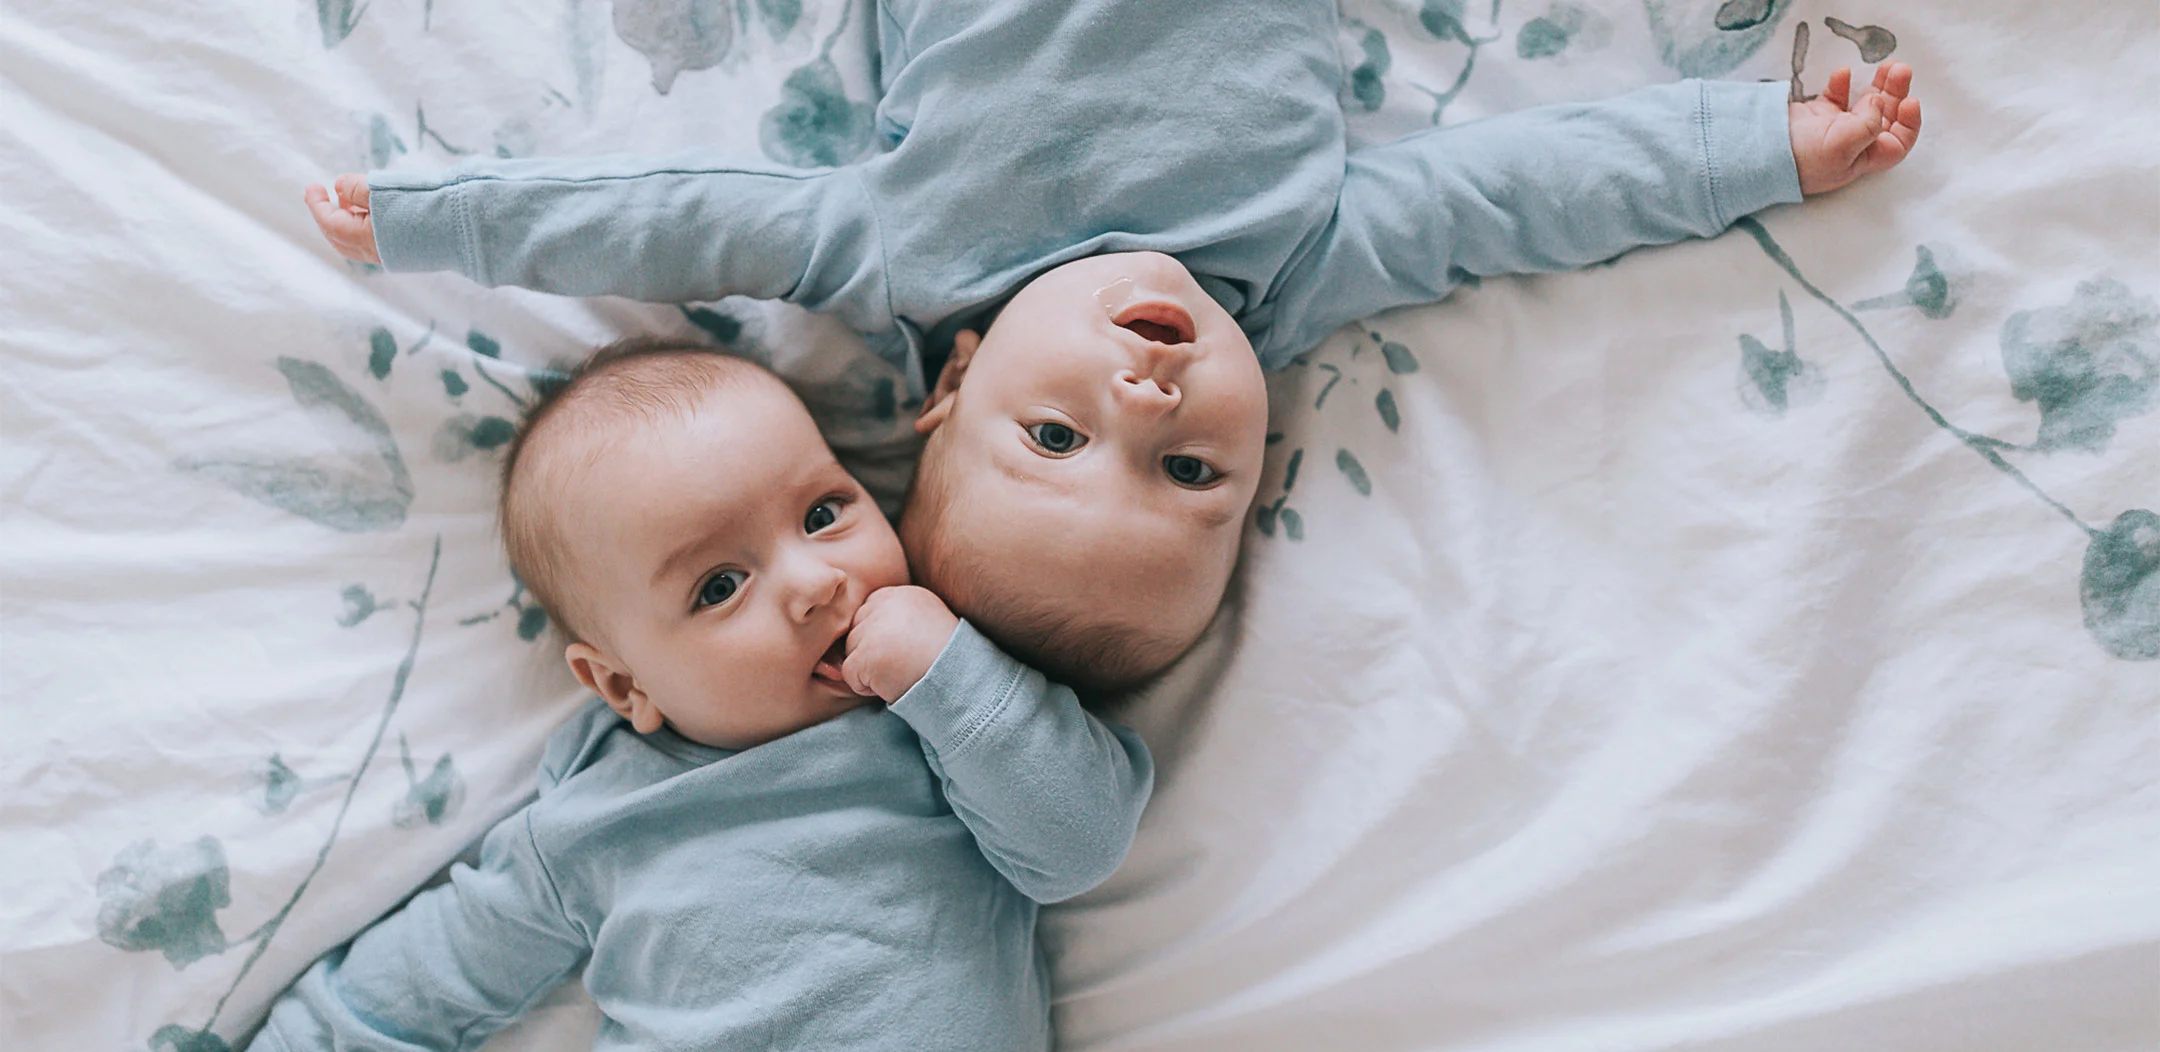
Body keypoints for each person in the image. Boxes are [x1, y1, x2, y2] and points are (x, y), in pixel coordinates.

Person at [306, 3, 1921, 695]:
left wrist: (439, 216)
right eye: (1192, 466)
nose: (1145, 397)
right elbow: (1538, 191)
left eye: (1056, 441)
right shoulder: (1295, 268)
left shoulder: (904, 253)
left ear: (947, 390)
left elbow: (665, 221)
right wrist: (1766, 145)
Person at [192, 346, 1154, 1052]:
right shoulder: (603, 820)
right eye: (720, 586)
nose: (817, 582)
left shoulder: (944, 725)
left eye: (824, 512)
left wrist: (947, 674)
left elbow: (1080, 842)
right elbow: (445, 960)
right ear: (624, 684)